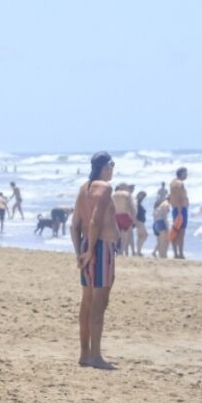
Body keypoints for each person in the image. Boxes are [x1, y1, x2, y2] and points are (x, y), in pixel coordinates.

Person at [73, 151, 118, 370]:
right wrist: (91, 250)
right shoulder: (105, 188)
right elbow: (94, 221)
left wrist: (80, 251)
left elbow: (74, 224)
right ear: (105, 166)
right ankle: (96, 355)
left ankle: (84, 353)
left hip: (85, 247)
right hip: (100, 248)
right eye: (112, 165)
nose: (113, 169)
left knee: (87, 302)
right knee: (99, 303)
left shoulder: (84, 188)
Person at [168, 167, 189, 259]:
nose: (187, 175)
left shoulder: (173, 182)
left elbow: (171, 196)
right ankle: (180, 253)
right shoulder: (179, 183)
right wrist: (180, 210)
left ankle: (176, 253)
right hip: (180, 209)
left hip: (176, 209)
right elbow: (179, 197)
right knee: (181, 232)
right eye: (185, 173)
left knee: (176, 231)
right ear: (181, 173)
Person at [111, 184, 137, 255]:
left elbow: (110, 207)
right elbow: (131, 206)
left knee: (117, 235)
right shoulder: (126, 194)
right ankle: (122, 251)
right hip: (125, 215)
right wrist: (133, 218)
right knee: (125, 236)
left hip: (116, 216)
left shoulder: (113, 195)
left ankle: (118, 251)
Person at [134, 190, 148, 256]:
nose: (143, 197)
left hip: (140, 221)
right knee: (144, 235)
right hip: (139, 221)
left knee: (140, 236)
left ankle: (138, 251)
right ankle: (138, 251)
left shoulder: (138, 202)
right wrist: (136, 220)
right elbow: (135, 212)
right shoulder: (137, 202)